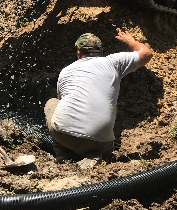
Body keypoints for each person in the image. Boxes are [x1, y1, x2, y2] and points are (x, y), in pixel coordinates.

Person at [44, 30, 153, 159]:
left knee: (52, 103)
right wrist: (131, 41)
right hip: (105, 144)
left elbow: (64, 105)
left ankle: (63, 156)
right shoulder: (113, 62)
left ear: (78, 52)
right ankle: (94, 153)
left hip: (67, 137)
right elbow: (146, 53)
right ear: (101, 50)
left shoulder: (65, 72)